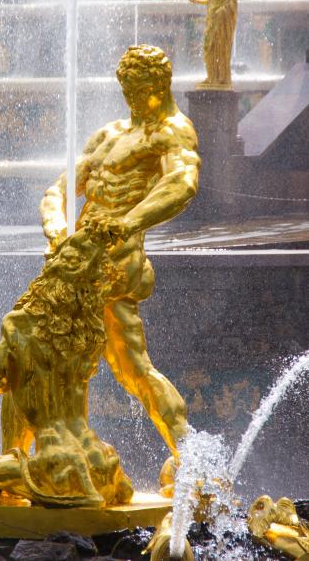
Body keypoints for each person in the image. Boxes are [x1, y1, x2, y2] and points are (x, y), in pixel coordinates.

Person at [40, 44, 200, 458]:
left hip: (116, 261)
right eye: (127, 90)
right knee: (131, 368)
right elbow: (59, 188)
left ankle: (64, 449)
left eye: (141, 89)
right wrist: (57, 227)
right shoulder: (108, 134)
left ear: (161, 85)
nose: (132, 98)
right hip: (77, 257)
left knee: (61, 347)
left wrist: (126, 223)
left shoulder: (172, 130)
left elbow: (181, 184)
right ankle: (189, 455)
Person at [189, 0, 237, 89]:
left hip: (221, 22)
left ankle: (220, 78)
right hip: (212, 20)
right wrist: (198, 1)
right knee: (208, 48)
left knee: (219, 49)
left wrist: (221, 12)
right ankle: (211, 77)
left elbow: (232, 2)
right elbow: (212, 1)